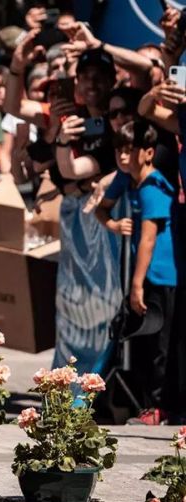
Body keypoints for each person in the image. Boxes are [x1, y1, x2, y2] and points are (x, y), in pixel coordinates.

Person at [95, 120, 179, 425]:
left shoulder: (154, 188)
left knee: (160, 346)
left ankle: (159, 408)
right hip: (143, 276)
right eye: (118, 150)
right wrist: (113, 224)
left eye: (130, 151)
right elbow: (101, 208)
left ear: (148, 153)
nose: (122, 156)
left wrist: (137, 285)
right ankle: (146, 404)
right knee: (142, 342)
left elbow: (148, 240)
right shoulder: (125, 178)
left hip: (163, 277)